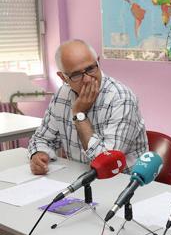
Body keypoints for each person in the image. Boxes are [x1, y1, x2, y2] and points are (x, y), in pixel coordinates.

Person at [28, 39, 147, 173]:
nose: (87, 79)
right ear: (63, 77)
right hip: (81, 178)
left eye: (91, 68)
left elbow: (108, 163)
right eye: (77, 74)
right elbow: (42, 138)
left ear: (98, 61)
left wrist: (80, 115)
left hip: (124, 183)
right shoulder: (62, 95)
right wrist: (38, 154)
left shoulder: (121, 98)